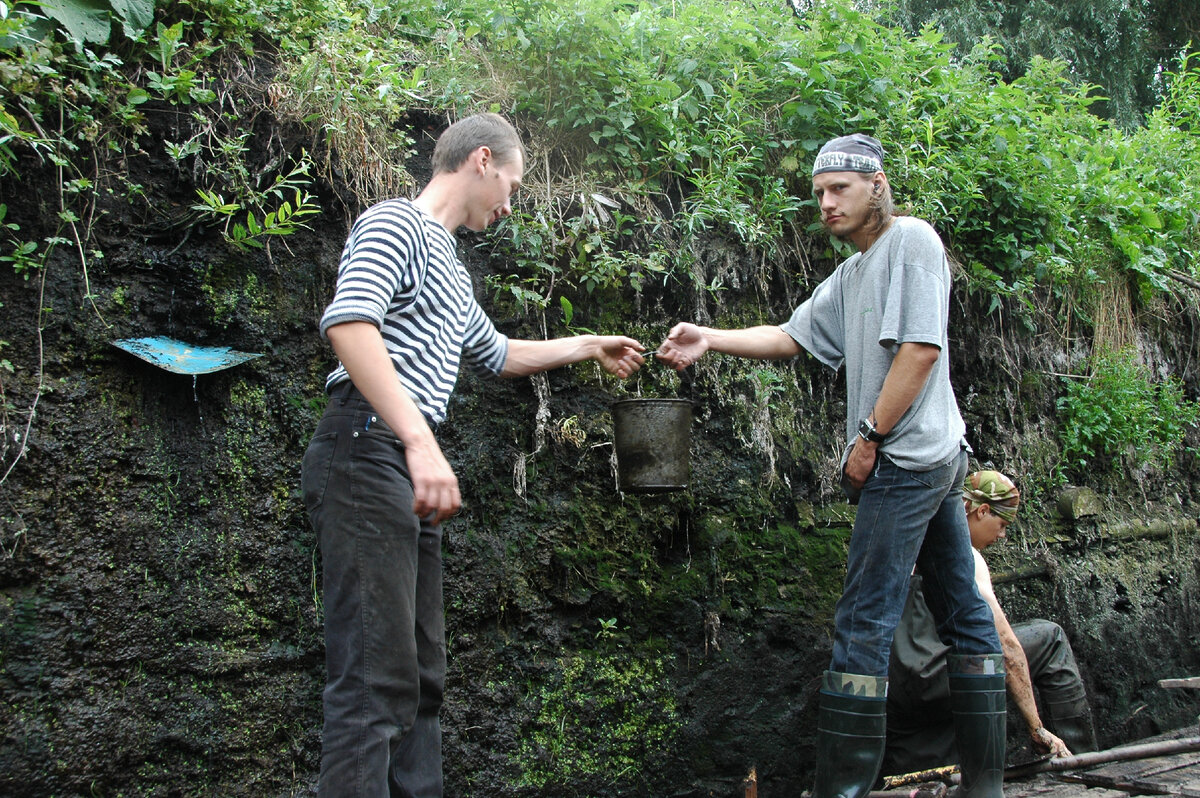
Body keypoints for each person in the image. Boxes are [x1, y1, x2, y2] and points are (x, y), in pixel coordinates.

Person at [301, 112, 646, 798]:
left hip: (395, 458)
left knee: (421, 675)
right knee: (374, 676)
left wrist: (588, 344)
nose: (509, 204)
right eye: (511, 186)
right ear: (481, 160)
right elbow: (350, 321)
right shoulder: (395, 222)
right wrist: (420, 440)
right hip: (367, 447)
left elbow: (500, 354)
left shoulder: (450, 269)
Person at [657, 133, 1006, 798]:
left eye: (838, 189)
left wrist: (870, 435)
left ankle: (843, 790)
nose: (825, 203)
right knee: (962, 608)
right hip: (934, 458)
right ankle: (984, 787)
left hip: (907, 460)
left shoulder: (912, 242)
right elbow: (790, 337)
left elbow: (921, 351)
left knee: (862, 622)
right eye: (818, 192)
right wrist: (710, 339)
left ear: (876, 183)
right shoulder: (852, 274)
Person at [883, 470, 1099, 776]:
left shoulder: (898, 538)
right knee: (1050, 639)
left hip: (899, 690)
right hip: (941, 678)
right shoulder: (964, 557)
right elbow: (1007, 647)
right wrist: (1036, 727)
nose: (1001, 536)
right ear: (981, 511)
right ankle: (1082, 760)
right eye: (1001, 525)